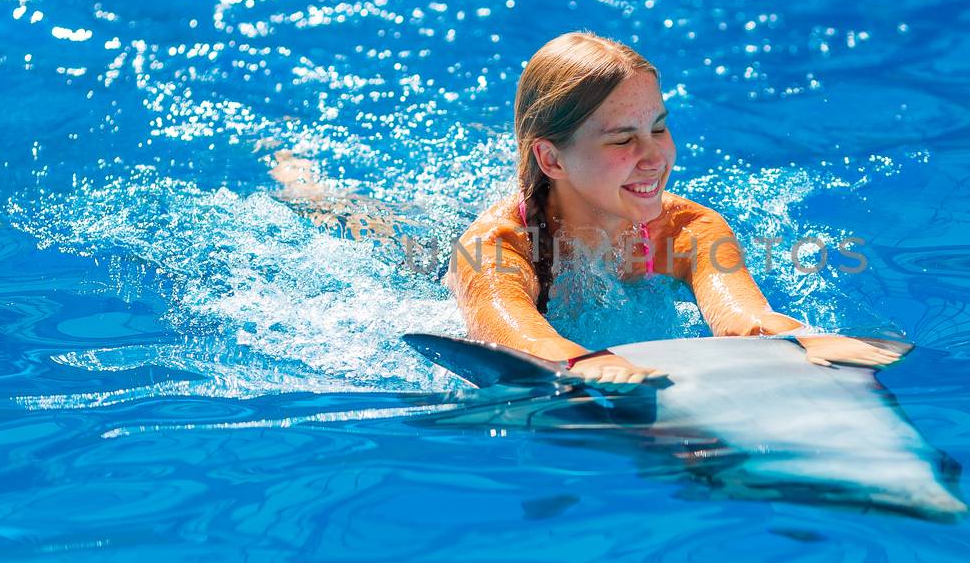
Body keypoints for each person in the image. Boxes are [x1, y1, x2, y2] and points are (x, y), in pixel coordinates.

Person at [269, 30, 902, 391]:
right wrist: (585, 362)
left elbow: (739, 310)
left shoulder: (685, 227)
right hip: (432, 262)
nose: (655, 157)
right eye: (623, 139)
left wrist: (793, 339)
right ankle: (305, 185)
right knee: (360, 224)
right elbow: (510, 331)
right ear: (550, 159)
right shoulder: (495, 248)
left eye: (659, 128)